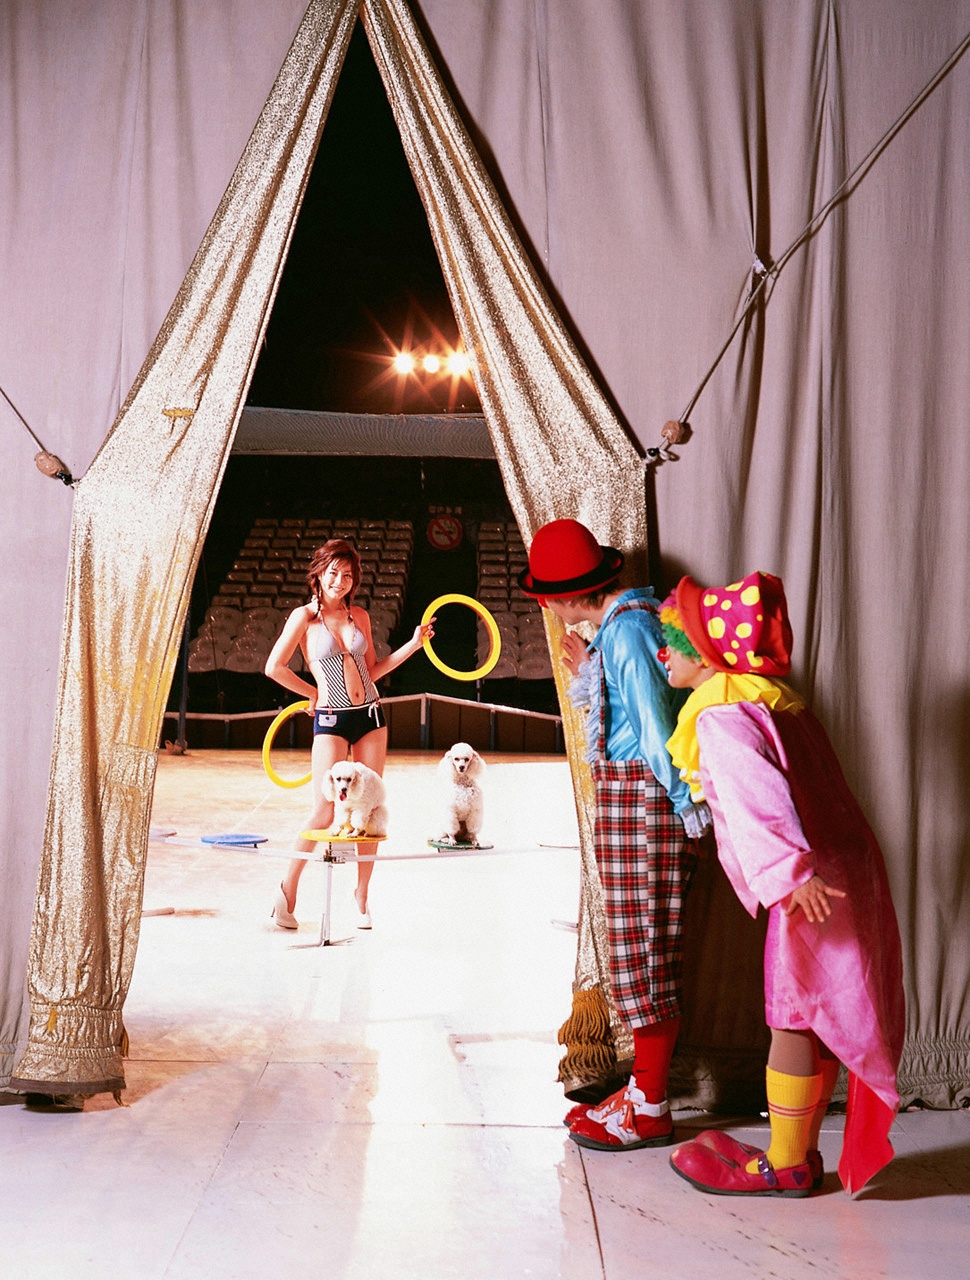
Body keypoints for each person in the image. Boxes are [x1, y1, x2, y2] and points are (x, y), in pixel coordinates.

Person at [658, 571, 905, 1196]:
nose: (664, 655)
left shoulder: (722, 717)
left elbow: (757, 799)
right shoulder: (775, 705)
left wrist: (788, 873)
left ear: (707, 656)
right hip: (842, 868)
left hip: (808, 881)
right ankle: (801, 1150)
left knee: (793, 1014)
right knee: (817, 1010)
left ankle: (787, 1161)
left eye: (675, 643)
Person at [518, 519, 710, 1151]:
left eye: (548, 595)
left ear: (569, 595)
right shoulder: (617, 632)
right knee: (635, 952)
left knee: (646, 955)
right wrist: (589, 668)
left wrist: (686, 802)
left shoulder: (627, 632)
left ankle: (650, 1107)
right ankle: (643, 1093)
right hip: (629, 800)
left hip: (645, 803)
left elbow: (655, 727)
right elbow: (624, 713)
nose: (547, 607)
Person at [263, 538, 433, 930]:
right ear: (319, 574)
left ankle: (362, 895)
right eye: (333, 573)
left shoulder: (360, 616)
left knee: (368, 809)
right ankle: (286, 893)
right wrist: (312, 694)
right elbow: (274, 667)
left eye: (347, 575)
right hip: (331, 717)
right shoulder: (303, 618)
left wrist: (414, 644)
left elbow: (372, 670)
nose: (340, 581)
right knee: (323, 811)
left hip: (370, 715)